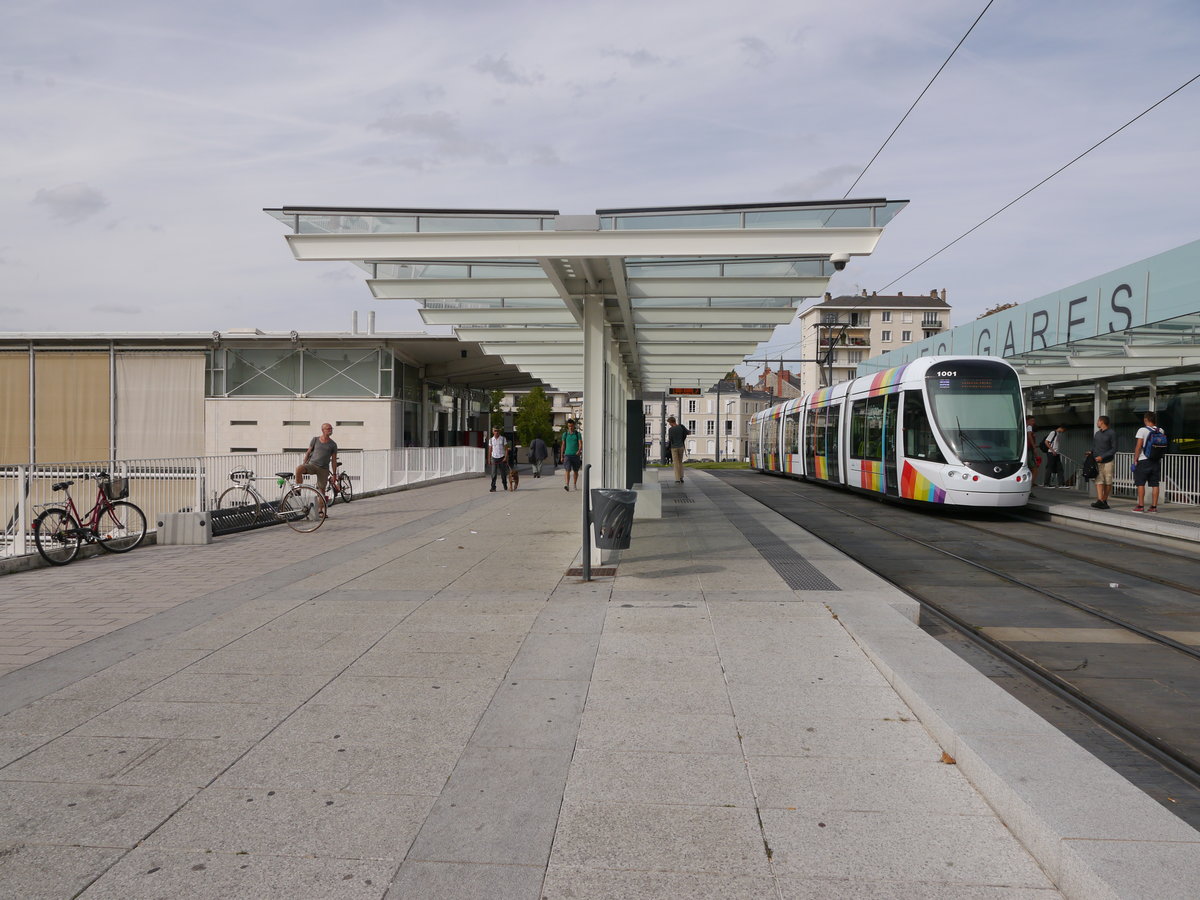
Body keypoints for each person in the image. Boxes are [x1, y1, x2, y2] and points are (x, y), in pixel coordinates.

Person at [1132, 411, 1164, 512]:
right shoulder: (1161, 430)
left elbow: (1138, 446)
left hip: (1143, 460)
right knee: (1155, 484)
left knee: (1140, 483)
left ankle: (1140, 506)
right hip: (1156, 460)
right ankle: (1153, 507)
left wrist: (1135, 459)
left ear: (1146, 420)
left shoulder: (1142, 430)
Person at [295, 422, 338, 496]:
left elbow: (334, 460)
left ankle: (321, 507)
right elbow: (308, 452)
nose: (330, 430)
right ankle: (298, 489)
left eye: (331, 429)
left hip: (323, 469)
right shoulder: (315, 440)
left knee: (321, 492)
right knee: (299, 469)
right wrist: (304, 463)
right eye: (328, 429)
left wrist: (334, 474)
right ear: (323, 430)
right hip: (312, 465)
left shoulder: (333, 444)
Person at [1090, 415, 1117, 510]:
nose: (1097, 423)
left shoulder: (1111, 433)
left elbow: (1114, 449)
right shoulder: (1097, 434)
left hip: (1108, 461)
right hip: (1097, 461)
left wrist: (1103, 457)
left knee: (1108, 481)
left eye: (1098, 421)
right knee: (1099, 480)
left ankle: (1103, 500)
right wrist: (1091, 453)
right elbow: (1094, 446)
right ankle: (1100, 500)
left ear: (1102, 422)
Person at [667, 415, 690, 484]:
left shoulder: (671, 429)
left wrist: (668, 446)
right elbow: (688, 433)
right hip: (681, 447)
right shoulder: (681, 427)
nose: (669, 425)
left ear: (671, 422)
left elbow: (670, 439)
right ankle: (681, 477)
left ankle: (677, 479)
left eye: (669, 423)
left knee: (676, 463)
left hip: (674, 447)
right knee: (680, 462)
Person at [561, 420, 582, 491]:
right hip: (567, 455)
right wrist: (562, 455)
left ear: (574, 426)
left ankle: (574, 484)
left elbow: (580, 444)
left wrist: (579, 450)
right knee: (567, 470)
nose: (570, 427)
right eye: (569, 426)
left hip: (575, 455)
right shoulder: (565, 434)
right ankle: (567, 485)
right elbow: (563, 445)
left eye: (571, 426)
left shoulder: (577, 434)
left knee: (576, 471)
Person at [488, 427, 510, 492]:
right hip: (494, 457)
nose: (496, 432)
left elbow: (506, 449)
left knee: (503, 473)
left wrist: (506, 457)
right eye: (495, 431)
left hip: (501, 458)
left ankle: (505, 484)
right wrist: (489, 459)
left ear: (499, 432)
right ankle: (493, 487)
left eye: (497, 431)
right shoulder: (491, 440)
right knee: (493, 473)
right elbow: (490, 450)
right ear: (493, 432)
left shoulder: (503, 439)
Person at [1025, 415, 1040, 490]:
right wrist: (1034, 447)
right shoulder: (1029, 426)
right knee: (1034, 469)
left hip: (1026, 449)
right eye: (1032, 420)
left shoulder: (1023, 427)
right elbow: (1029, 436)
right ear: (1028, 421)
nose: (1033, 422)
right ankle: (1029, 487)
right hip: (1028, 450)